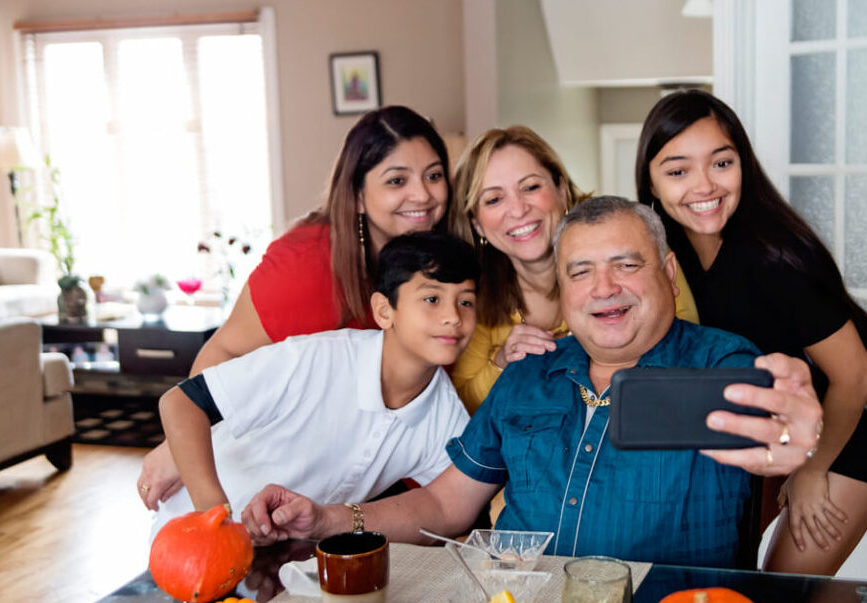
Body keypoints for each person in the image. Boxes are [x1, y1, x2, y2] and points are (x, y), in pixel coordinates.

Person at [240, 197, 824, 569]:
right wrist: (327, 520)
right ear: (564, 294)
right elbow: (445, 506)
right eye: (581, 271)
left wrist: (790, 432)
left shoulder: (720, 362)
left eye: (627, 264)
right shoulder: (528, 376)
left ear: (668, 276)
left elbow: (773, 418)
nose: (603, 288)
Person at [635, 89, 867, 575]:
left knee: (785, 583)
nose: (704, 186)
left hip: (859, 416)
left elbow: (856, 374)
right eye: (678, 171)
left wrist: (810, 470)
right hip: (778, 412)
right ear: (652, 184)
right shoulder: (670, 249)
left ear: (743, 164)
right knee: (730, 557)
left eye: (721, 163)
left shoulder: (775, 259)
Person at [139, 106, 452, 509]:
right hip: (267, 475)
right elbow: (224, 351)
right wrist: (178, 448)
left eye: (434, 175)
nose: (423, 195)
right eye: (397, 180)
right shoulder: (306, 264)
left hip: (368, 480)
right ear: (357, 194)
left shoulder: (443, 265)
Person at [152, 232, 478, 537]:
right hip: (191, 533)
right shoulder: (313, 358)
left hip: (280, 557)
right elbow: (180, 402)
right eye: (432, 299)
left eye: (465, 301)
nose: (453, 316)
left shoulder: (448, 416)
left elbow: (446, 507)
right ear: (383, 310)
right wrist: (215, 514)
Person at [447, 126, 699, 414]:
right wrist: (502, 362)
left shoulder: (636, 242)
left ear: (561, 189)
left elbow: (690, 352)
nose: (517, 210)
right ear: (477, 223)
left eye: (530, 187)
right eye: (493, 199)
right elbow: (459, 402)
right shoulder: (475, 294)